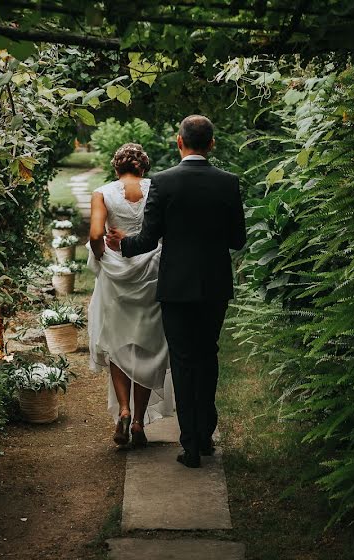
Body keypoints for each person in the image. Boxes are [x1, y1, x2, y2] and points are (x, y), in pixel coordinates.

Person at [106, 115, 247, 468]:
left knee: (182, 362)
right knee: (208, 356)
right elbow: (237, 240)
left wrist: (122, 245)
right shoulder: (228, 183)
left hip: (176, 288)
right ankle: (206, 435)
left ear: (179, 142)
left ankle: (191, 447)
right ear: (211, 144)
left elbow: (148, 239)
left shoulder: (164, 183)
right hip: (214, 285)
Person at [87, 143, 174, 448]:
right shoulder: (158, 188)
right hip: (151, 272)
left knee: (118, 345)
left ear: (116, 167)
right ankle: (138, 422)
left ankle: (123, 410)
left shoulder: (103, 193)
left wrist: (101, 258)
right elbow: (165, 232)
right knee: (148, 347)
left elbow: (96, 236)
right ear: (144, 167)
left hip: (117, 276)